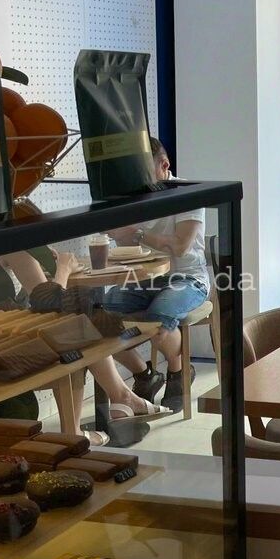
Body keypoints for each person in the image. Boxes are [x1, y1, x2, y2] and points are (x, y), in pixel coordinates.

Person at [87, 138, 210, 415]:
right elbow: (128, 246)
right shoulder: (135, 196)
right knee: (98, 320)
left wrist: (136, 233)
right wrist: (116, 231)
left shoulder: (187, 194)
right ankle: (144, 374)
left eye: (143, 173)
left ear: (164, 165)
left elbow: (180, 246)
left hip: (188, 278)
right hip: (142, 279)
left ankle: (178, 372)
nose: (138, 182)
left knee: (159, 315)